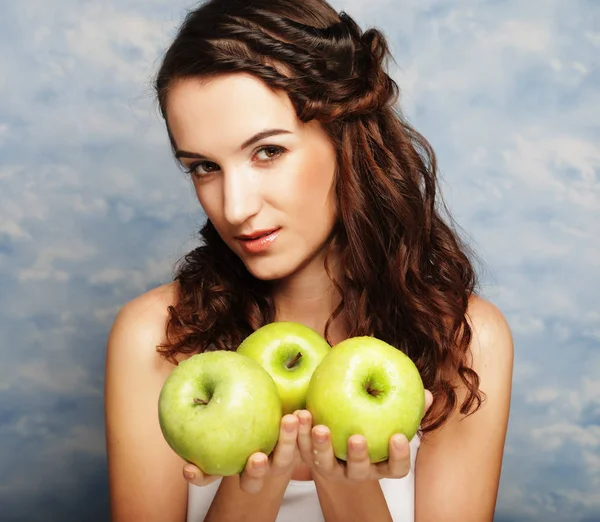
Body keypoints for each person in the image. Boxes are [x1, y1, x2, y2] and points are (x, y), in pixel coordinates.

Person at [104, 0, 514, 520]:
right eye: (204, 166)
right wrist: (256, 485)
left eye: (268, 152)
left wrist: (343, 484)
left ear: (346, 139)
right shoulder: (155, 337)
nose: (234, 207)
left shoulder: (464, 339)